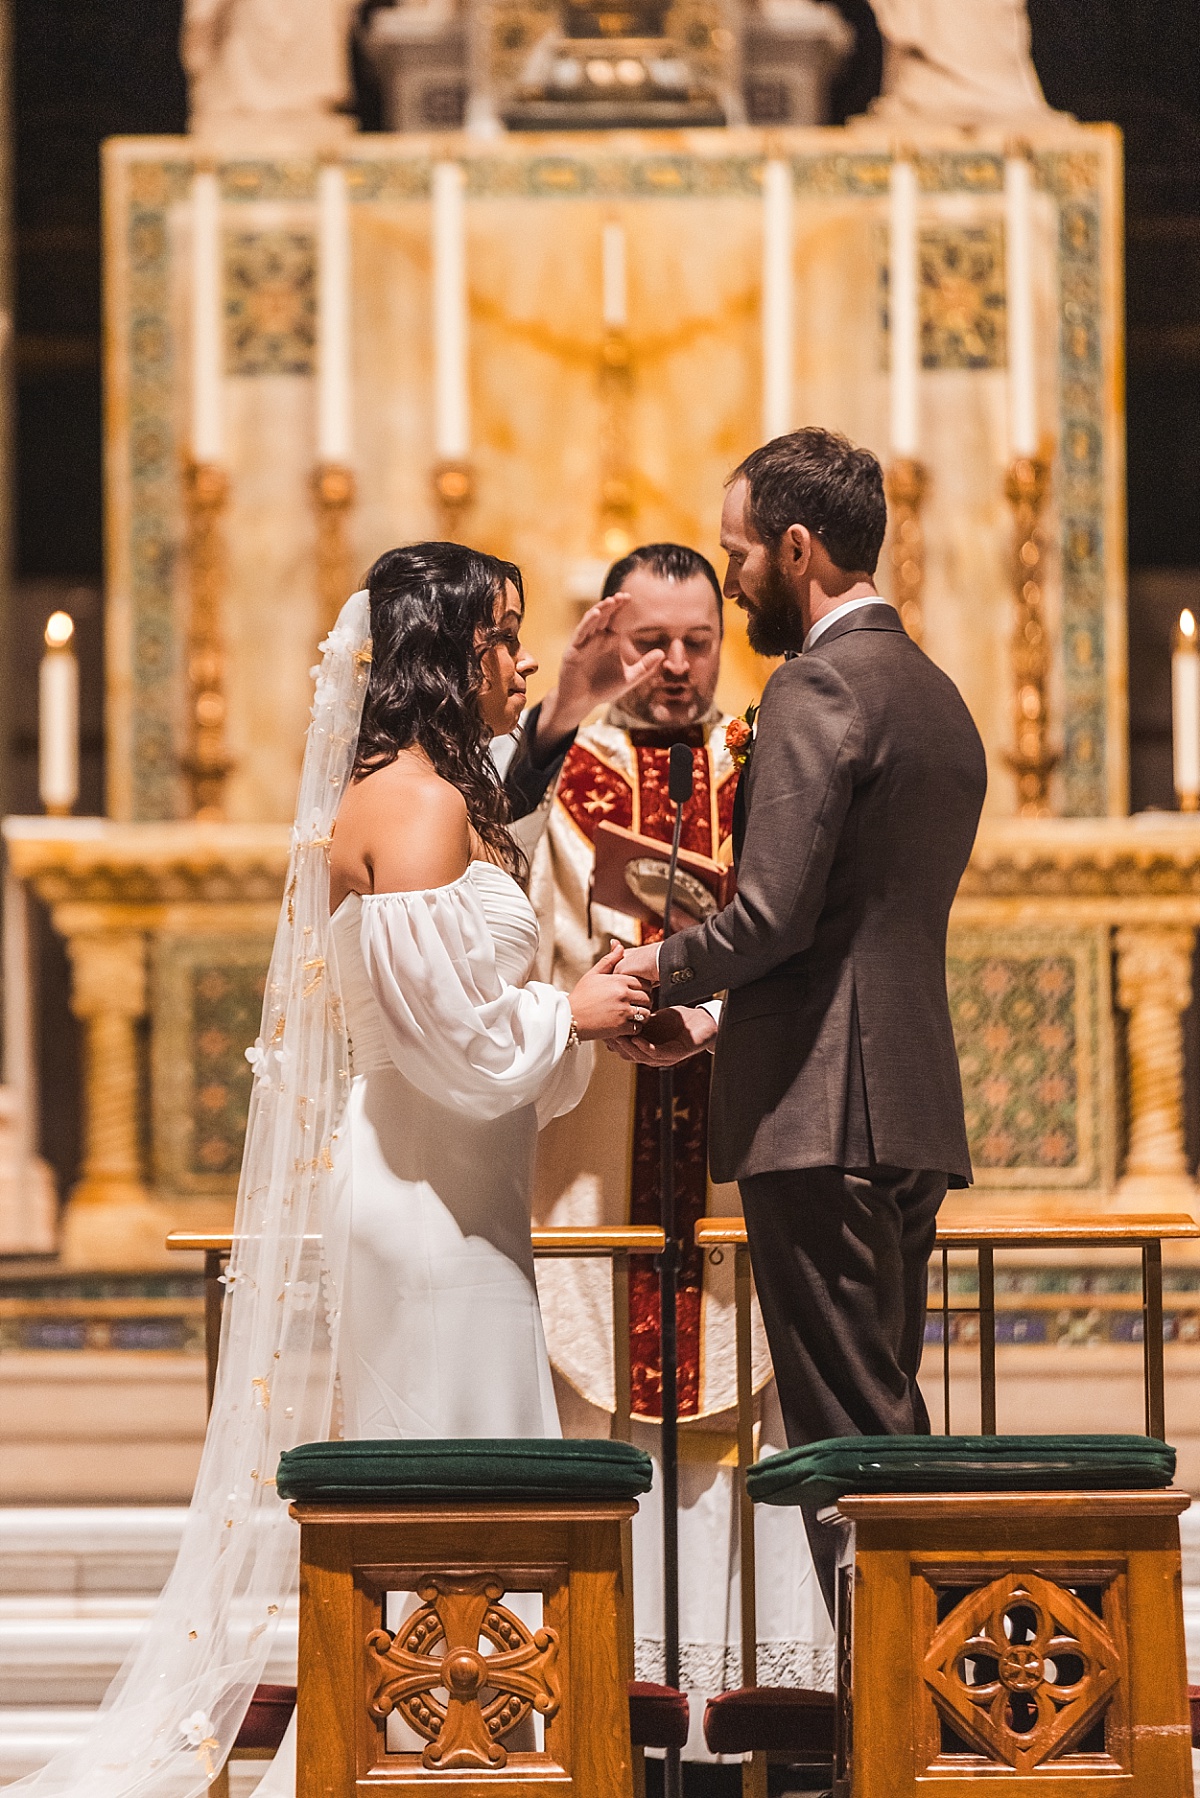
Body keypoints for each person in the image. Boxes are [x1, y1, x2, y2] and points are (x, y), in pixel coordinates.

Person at [10, 544, 648, 1798]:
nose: (519, 661)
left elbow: (466, 969)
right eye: (505, 637)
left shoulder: (423, 791)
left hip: (454, 1190)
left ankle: (454, 1761)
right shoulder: (410, 805)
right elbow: (449, 1041)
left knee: (474, 1494)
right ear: (447, 649)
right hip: (427, 1204)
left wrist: (566, 718)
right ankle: (422, 1764)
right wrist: (571, 1011)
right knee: (450, 1499)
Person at [617, 430, 987, 1614]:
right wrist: (721, 1017)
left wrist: (655, 965)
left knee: (853, 1455)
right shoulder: (931, 690)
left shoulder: (816, 683)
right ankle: (917, 1711)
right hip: (904, 1110)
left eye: (738, 556)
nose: (731, 584)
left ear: (796, 546)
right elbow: (851, 929)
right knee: (884, 1418)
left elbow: (771, 912)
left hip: (823, 1123)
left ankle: (912, 1725)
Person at [503, 543, 836, 1708]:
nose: (680, 666)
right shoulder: (559, 767)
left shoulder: (765, 759)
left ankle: (731, 1697)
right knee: (599, 1405)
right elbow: (509, 910)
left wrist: (711, 995)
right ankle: (604, 1693)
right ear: (612, 637)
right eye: (652, 643)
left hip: (732, 1131)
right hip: (594, 1133)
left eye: (698, 641)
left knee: (736, 1408)